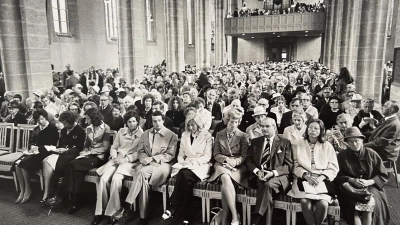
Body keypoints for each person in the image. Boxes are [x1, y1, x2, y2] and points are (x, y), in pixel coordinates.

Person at [113, 111, 177, 225]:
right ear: (151, 121)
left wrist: (151, 159)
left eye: (159, 120)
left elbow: (169, 155)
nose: (156, 123)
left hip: (163, 165)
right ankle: (144, 216)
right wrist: (143, 158)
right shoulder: (146, 133)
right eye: (154, 121)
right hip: (145, 165)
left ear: (163, 120)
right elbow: (140, 151)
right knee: (143, 181)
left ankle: (127, 205)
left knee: (141, 173)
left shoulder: (171, 135)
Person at [92, 111, 143, 225]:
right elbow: (114, 147)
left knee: (115, 180)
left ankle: (112, 212)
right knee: (103, 179)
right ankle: (100, 212)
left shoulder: (142, 134)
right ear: (126, 122)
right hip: (116, 160)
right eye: (129, 122)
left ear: (137, 122)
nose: (131, 124)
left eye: (134, 121)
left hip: (129, 163)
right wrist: (114, 156)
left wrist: (125, 159)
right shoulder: (121, 131)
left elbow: (139, 153)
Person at [56, 108, 111, 214]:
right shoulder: (89, 128)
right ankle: (75, 200)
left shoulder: (106, 128)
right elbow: (86, 144)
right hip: (87, 156)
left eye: (88, 118)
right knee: (77, 172)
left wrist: (89, 152)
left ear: (94, 118)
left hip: (98, 158)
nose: (86, 121)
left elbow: (105, 147)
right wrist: (84, 152)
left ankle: (67, 196)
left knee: (71, 164)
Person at [162, 115, 212, 225]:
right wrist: (181, 162)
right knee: (186, 179)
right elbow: (180, 154)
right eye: (188, 125)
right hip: (186, 164)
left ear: (198, 125)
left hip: (201, 164)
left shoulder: (207, 136)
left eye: (192, 125)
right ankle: (187, 214)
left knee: (184, 174)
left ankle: (173, 205)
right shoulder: (184, 135)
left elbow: (207, 156)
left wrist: (193, 162)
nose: (190, 127)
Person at [288, 119, 338, 225]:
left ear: (321, 131)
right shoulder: (298, 144)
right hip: (304, 178)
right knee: (305, 202)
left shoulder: (327, 145)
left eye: (316, 128)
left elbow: (333, 166)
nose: (312, 130)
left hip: (323, 179)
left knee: (323, 204)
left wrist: (321, 177)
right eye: (310, 127)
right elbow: (295, 165)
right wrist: (305, 176)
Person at [336, 127, 390, 225]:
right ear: (347, 143)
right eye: (350, 142)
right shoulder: (341, 155)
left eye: (356, 141)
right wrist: (350, 179)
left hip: (371, 186)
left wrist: (369, 182)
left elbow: (383, 175)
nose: (354, 144)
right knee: (352, 206)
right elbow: (336, 176)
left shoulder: (372, 154)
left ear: (362, 140)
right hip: (350, 188)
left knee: (370, 202)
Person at [246, 117, 293, 225]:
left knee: (267, 185)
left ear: (274, 127)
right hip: (259, 176)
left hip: (278, 177)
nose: (264, 129)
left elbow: (288, 165)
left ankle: (257, 217)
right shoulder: (255, 142)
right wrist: (257, 171)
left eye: (267, 126)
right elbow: (249, 160)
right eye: (262, 126)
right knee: (267, 192)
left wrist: (272, 173)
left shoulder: (284, 142)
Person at [208, 108, 249, 225]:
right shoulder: (219, 134)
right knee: (225, 175)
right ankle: (235, 216)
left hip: (237, 166)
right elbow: (215, 154)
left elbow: (244, 156)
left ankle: (225, 219)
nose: (233, 125)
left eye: (236, 122)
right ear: (227, 121)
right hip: (221, 164)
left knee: (224, 185)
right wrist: (226, 159)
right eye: (231, 122)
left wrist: (235, 162)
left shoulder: (243, 136)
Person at [13, 109, 59, 204]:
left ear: (46, 118)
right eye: (38, 120)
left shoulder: (52, 128)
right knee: (17, 164)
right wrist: (31, 147)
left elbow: (53, 145)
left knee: (23, 164)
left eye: (42, 119)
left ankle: (28, 190)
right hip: (35, 153)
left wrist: (39, 148)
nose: (40, 122)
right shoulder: (36, 129)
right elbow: (30, 142)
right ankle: (23, 190)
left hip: (46, 153)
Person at [42, 111, 85, 205]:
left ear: (71, 121)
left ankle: (56, 194)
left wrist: (66, 150)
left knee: (59, 162)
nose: (64, 125)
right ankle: (49, 192)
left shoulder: (80, 131)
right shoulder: (64, 130)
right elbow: (61, 144)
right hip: (63, 153)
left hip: (73, 154)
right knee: (46, 161)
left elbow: (79, 148)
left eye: (65, 123)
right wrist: (59, 149)